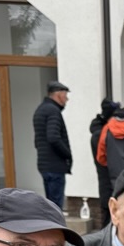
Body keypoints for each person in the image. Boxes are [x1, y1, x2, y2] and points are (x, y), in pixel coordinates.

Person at [33, 80, 72, 209]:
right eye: (65, 95)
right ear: (58, 95)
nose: (66, 99)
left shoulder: (40, 110)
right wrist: (67, 154)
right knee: (55, 206)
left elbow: (37, 141)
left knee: (50, 205)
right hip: (55, 165)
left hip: (45, 165)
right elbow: (53, 138)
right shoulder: (53, 111)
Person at [89, 97, 118, 228]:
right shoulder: (101, 135)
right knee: (108, 220)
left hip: (106, 182)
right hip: (108, 182)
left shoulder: (99, 133)